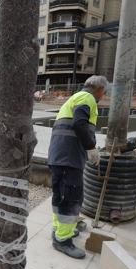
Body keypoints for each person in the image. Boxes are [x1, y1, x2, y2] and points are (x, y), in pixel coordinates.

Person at [47, 75, 108, 259]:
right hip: (69, 158)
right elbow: (79, 123)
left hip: (59, 156)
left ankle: (60, 230)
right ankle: (63, 240)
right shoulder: (87, 98)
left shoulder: (75, 97)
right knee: (71, 198)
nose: (102, 97)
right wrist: (91, 148)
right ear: (98, 89)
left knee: (60, 194)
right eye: (103, 93)